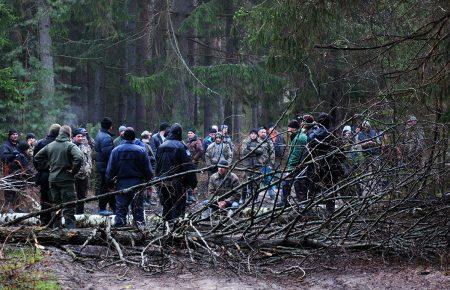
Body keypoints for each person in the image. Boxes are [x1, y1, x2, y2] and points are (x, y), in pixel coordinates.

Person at [34, 125, 84, 229]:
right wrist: (73, 171)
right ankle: (71, 230)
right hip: (66, 179)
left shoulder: (51, 145)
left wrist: (50, 165)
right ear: (69, 134)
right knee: (69, 205)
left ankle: (56, 229)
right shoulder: (70, 146)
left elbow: (37, 157)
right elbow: (79, 158)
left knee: (56, 205)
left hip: (52, 179)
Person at [106, 128, 153, 227]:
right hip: (138, 183)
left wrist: (109, 184)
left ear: (123, 137)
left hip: (121, 183)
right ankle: (140, 231)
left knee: (121, 209)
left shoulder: (116, 151)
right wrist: (149, 181)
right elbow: (147, 169)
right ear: (134, 138)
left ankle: (119, 231)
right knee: (138, 208)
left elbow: (110, 170)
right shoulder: (141, 150)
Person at [155, 124, 197, 221]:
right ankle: (176, 230)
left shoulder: (161, 146)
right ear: (179, 133)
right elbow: (189, 166)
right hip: (177, 183)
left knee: (166, 206)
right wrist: (193, 184)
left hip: (162, 182)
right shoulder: (181, 146)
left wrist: (157, 179)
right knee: (178, 206)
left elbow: (157, 165)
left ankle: (166, 229)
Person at [278, 115, 314, 207]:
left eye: (289, 128)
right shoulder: (297, 136)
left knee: (298, 184)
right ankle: (285, 202)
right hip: (299, 165)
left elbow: (296, 155)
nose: (288, 130)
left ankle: (301, 203)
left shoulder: (300, 138)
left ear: (293, 129)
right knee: (289, 183)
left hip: (297, 166)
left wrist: (291, 167)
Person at [33, 124, 61, 225]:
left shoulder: (40, 143)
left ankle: (44, 221)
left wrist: (42, 169)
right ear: (59, 133)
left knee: (44, 199)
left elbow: (35, 160)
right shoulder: (60, 143)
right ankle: (56, 222)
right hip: (57, 175)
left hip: (44, 175)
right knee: (57, 199)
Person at [5, 142, 36, 212]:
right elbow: (27, 169)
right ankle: (8, 212)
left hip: (13, 178)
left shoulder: (16, 154)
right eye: (28, 149)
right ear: (24, 149)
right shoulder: (21, 157)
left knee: (16, 195)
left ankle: (16, 209)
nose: (28, 151)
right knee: (11, 195)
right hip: (14, 179)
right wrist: (35, 176)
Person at [94, 117, 116, 215]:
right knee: (106, 187)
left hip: (102, 166)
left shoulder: (99, 135)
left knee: (106, 187)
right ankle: (103, 208)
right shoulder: (106, 137)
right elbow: (109, 155)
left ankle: (113, 208)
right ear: (110, 127)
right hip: (106, 167)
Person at [73, 128, 92, 215]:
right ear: (74, 137)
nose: (81, 138)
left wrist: (88, 170)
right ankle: (72, 216)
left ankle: (80, 215)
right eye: (78, 136)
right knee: (73, 196)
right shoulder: (70, 147)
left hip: (84, 176)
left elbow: (89, 160)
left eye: (81, 136)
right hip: (74, 176)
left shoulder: (85, 147)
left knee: (82, 197)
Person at [241, 129, 264, 203]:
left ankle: (255, 198)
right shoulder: (245, 141)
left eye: (255, 134)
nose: (253, 135)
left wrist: (250, 149)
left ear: (257, 135)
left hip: (257, 164)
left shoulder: (260, 141)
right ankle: (244, 198)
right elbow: (244, 151)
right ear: (250, 134)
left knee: (257, 182)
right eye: (252, 133)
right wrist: (255, 151)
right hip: (247, 164)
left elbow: (261, 151)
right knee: (247, 181)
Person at [185, 128, 203, 204]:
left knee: (192, 177)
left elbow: (201, 150)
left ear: (194, 134)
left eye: (191, 133)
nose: (189, 134)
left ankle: (191, 194)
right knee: (187, 177)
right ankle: (189, 195)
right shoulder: (187, 141)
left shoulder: (197, 141)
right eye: (188, 133)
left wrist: (194, 159)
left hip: (193, 163)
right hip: (187, 162)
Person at [258, 127, 276, 199]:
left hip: (266, 164)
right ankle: (253, 197)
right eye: (262, 132)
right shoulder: (255, 141)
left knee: (268, 180)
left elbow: (272, 153)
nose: (264, 133)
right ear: (258, 133)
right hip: (257, 165)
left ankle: (272, 196)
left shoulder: (269, 141)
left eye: (265, 132)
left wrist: (271, 164)